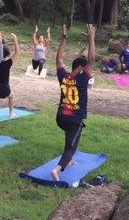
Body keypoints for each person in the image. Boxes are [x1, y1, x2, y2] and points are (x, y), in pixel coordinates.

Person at [50, 24, 96, 181]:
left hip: (60, 117)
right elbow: (92, 59)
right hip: (74, 119)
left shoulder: (63, 76)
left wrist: (63, 40)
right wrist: (91, 38)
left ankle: (70, 159)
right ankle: (57, 169)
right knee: (71, 146)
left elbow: (59, 59)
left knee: (70, 136)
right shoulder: (83, 78)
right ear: (81, 68)